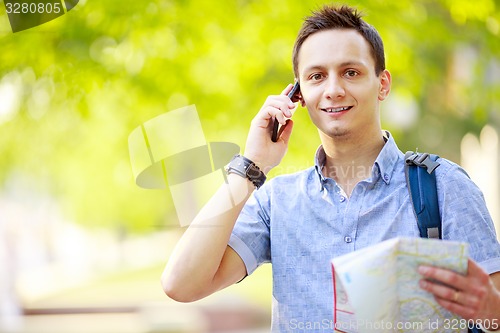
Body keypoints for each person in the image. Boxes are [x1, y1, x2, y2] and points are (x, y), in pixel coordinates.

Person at [161, 4, 500, 332]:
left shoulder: (443, 186)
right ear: (299, 94)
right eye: (316, 76)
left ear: (382, 84)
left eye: (350, 72)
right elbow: (181, 284)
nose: (334, 90)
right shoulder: (277, 202)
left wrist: (487, 308)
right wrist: (252, 165)